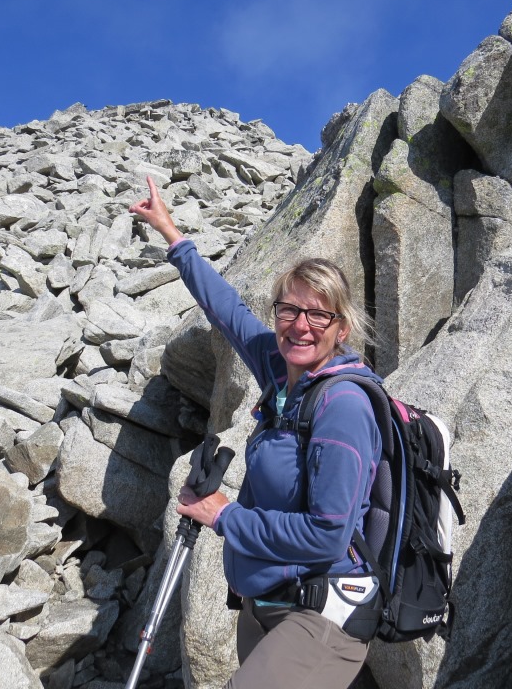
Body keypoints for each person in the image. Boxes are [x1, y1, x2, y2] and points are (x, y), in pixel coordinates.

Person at [129, 176, 383, 689]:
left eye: (319, 315)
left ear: (342, 329)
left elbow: (327, 534)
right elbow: (226, 309)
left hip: (320, 614)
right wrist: (172, 235)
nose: (301, 325)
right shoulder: (280, 367)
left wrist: (224, 515)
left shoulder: (344, 408)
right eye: (289, 310)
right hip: (266, 603)